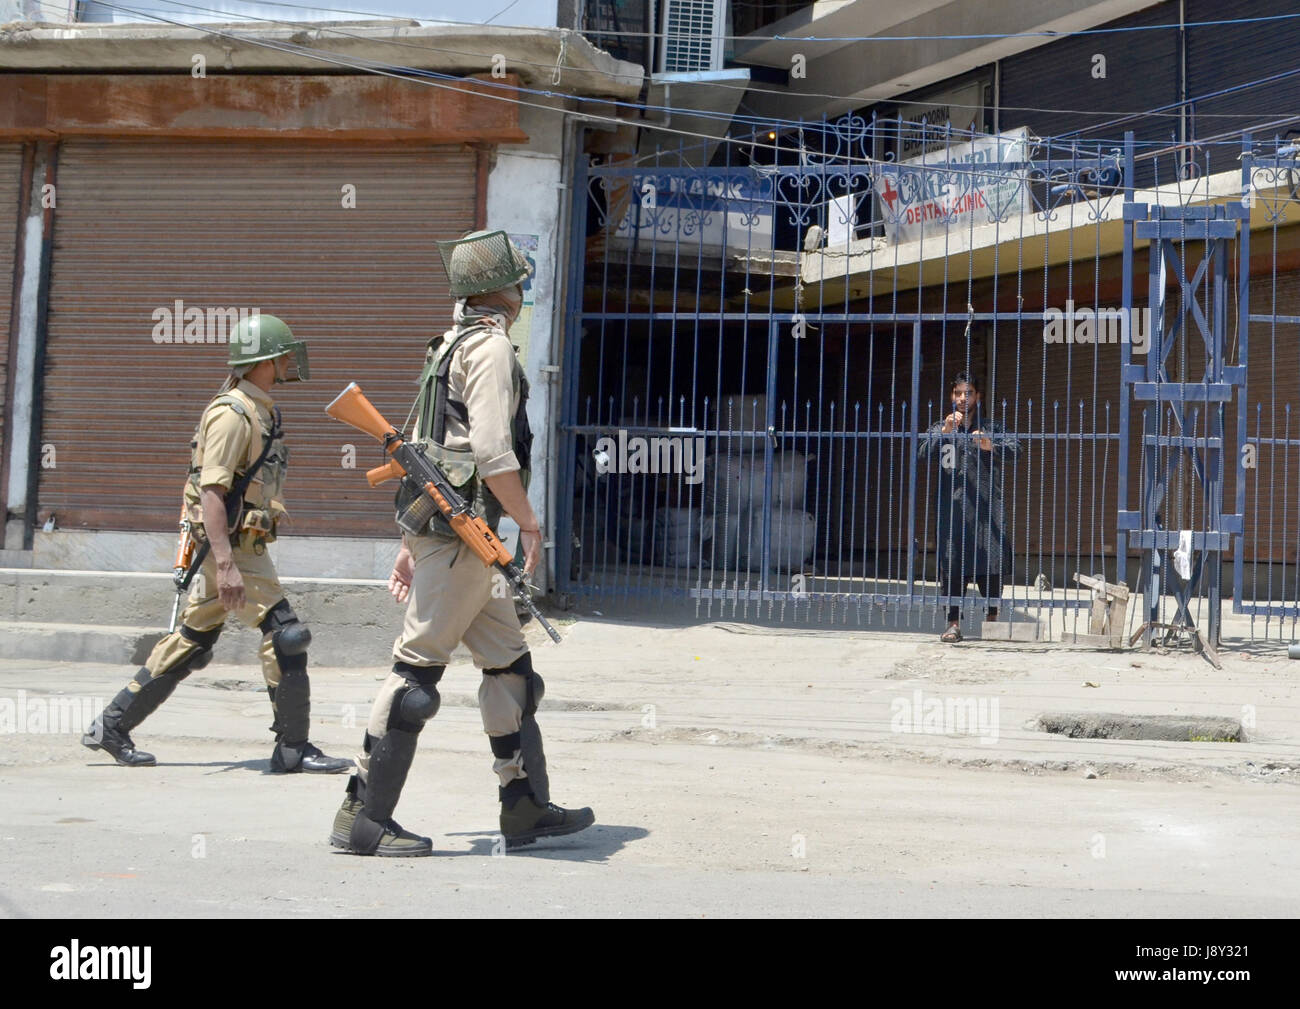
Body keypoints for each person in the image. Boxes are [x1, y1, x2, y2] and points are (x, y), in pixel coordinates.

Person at [330, 230, 594, 856]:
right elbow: (493, 454)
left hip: (458, 540)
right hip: (464, 540)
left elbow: (421, 450)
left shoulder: (446, 345)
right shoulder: (492, 349)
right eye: (518, 281)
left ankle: (524, 806)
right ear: (499, 289)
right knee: (415, 678)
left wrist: (406, 540)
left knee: (512, 673)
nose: (523, 291)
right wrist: (530, 524)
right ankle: (361, 816)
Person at [82, 315, 352, 774]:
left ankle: (111, 725)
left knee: (194, 639)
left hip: (239, 544)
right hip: (230, 549)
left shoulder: (259, 408)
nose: (291, 359)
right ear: (266, 360)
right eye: (284, 352)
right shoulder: (232, 414)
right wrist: (225, 564)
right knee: (286, 635)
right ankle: (293, 748)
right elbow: (211, 492)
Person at [919, 371, 1019, 643]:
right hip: (952, 509)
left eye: (969, 392)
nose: (964, 398)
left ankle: (992, 622)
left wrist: (990, 445)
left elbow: (1016, 450)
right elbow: (923, 451)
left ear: (978, 396)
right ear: (951, 397)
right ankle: (953, 624)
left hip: (988, 509)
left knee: (992, 564)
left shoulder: (991, 428)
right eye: (958, 393)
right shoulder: (942, 426)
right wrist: (945, 432)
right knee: (952, 566)